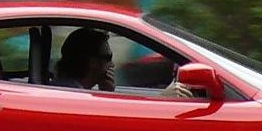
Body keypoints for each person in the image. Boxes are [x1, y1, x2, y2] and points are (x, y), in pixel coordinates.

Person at [51, 27, 196, 97]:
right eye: (108, 58)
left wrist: (107, 93)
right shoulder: (71, 95)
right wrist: (162, 99)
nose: (112, 65)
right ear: (92, 62)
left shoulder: (73, 89)